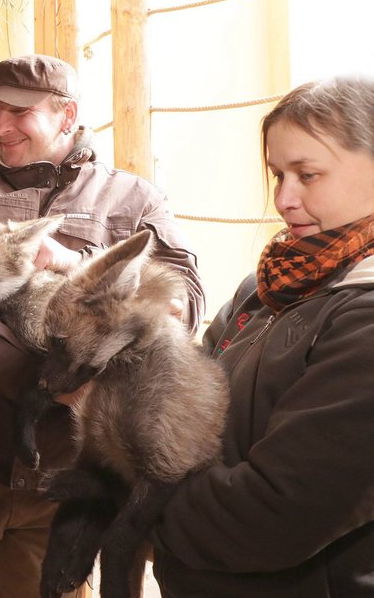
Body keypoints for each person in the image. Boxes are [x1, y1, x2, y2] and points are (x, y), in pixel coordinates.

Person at [0, 54, 205, 597]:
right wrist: (58, 386)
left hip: (67, 483)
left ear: (68, 115)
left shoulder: (136, 199)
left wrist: (76, 263)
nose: (0, 126)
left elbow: (183, 300)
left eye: (19, 112)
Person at [150, 75, 374, 596]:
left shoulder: (365, 320)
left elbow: (272, 515)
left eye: (308, 174)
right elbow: (171, 411)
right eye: (278, 175)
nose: (285, 199)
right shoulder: (262, 288)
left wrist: (139, 502)